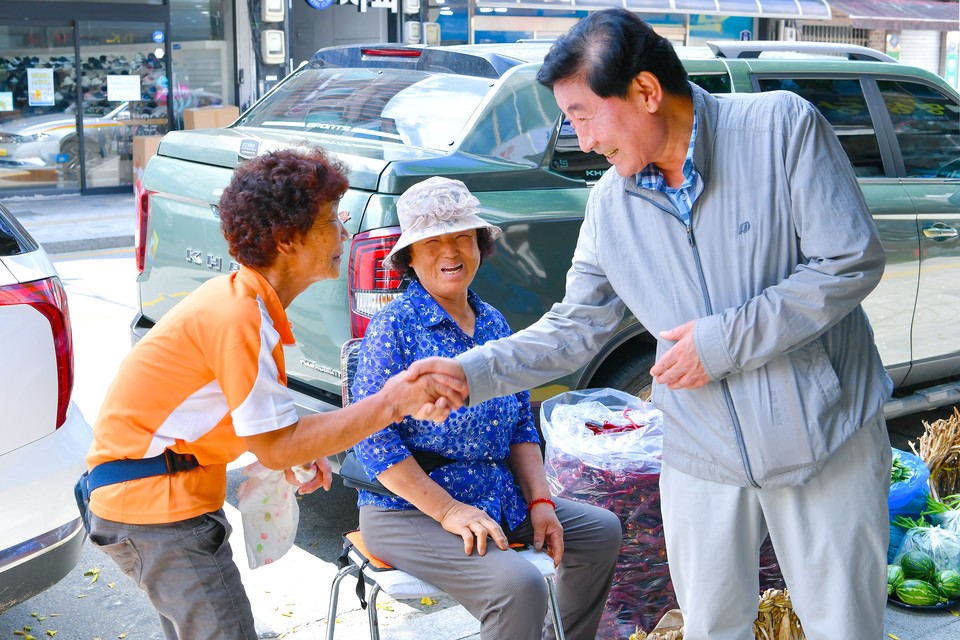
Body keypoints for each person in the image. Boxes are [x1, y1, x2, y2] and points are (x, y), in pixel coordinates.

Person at [409, 10, 894, 640]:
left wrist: (718, 344)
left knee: (843, 627)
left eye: (583, 114)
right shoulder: (611, 205)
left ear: (644, 91)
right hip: (701, 449)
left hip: (823, 436)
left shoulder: (780, 128)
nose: (580, 139)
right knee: (711, 625)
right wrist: (469, 371)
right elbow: (574, 328)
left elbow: (849, 260)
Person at [78, 149, 466, 640]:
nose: (344, 234)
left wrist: (295, 452)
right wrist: (391, 402)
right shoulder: (240, 316)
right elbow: (277, 442)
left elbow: (264, 430)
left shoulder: (246, 304)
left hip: (157, 504)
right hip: (153, 510)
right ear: (287, 240)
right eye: (330, 220)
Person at [351, 176, 621, 640]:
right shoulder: (393, 325)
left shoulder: (492, 321)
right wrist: (448, 511)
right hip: (407, 510)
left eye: (461, 237)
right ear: (410, 258)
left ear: (480, 245)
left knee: (601, 532)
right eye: (432, 242)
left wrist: (540, 501)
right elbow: (372, 439)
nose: (450, 252)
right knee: (519, 586)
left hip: (493, 495)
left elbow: (520, 424)